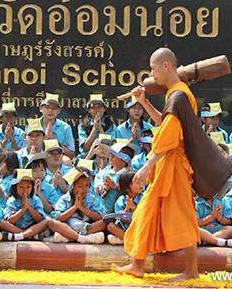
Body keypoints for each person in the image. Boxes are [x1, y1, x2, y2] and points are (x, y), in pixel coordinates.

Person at [114, 48, 200, 282]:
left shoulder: (180, 94)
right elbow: (164, 124)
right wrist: (144, 101)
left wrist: (145, 167)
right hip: (166, 165)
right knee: (146, 211)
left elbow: (169, 137)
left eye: (152, 68)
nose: (151, 74)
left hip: (174, 165)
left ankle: (191, 271)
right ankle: (137, 264)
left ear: (165, 66)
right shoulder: (174, 94)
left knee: (183, 215)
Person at [49, 168, 106, 244]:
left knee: (104, 223)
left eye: (86, 185)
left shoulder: (92, 199)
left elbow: (99, 217)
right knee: (52, 223)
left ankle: (70, 237)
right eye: (80, 186)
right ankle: (82, 238)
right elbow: (58, 218)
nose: (84, 189)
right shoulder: (64, 199)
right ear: (72, 187)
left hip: (87, 226)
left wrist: (82, 208)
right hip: (69, 228)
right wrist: (75, 207)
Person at [0, 169, 49, 241]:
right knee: (1, 223)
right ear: (15, 187)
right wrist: (22, 209)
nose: (25, 190)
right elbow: (10, 220)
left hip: (32, 227)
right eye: (21, 187)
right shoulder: (12, 201)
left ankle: (17, 236)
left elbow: (40, 219)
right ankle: (27, 235)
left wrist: (28, 207)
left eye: (28, 187)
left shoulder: (36, 200)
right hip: (16, 227)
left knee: (46, 222)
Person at [106, 170, 144, 245]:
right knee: (111, 226)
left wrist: (133, 208)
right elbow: (121, 222)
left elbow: (145, 216)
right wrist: (126, 210)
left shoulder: (144, 196)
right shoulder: (121, 201)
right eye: (137, 182)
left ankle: (125, 240)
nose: (141, 184)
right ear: (127, 188)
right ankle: (130, 240)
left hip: (141, 228)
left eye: (141, 181)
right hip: (126, 229)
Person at [39, 93, 75, 159]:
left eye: (54, 108)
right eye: (47, 107)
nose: (50, 111)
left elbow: (71, 154)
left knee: (66, 160)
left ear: (58, 110)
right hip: (38, 159)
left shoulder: (65, 127)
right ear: (41, 108)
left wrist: (55, 143)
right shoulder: (33, 124)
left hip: (58, 159)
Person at [25, 151, 59, 216]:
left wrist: (40, 194)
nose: (38, 173)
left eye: (41, 170)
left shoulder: (50, 188)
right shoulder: (23, 187)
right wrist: (33, 194)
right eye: (34, 171)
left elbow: (50, 210)